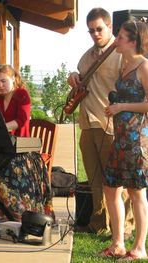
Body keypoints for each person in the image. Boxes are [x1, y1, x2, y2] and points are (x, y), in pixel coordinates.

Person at [67, 8, 134, 236]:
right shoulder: (86, 56)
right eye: (91, 30)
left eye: (99, 29)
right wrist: (73, 78)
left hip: (111, 125)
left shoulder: (121, 54)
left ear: (110, 28)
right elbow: (79, 78)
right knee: (95, 179)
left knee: (116, 180)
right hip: (87, 123)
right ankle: (98, 223)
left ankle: (124, 227)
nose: (95, 34)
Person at [0, 64, 54, 225]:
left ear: (13, 79)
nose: (0, 85)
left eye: (3, 81)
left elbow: (22, 120)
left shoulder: (22, 95)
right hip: (3, 147)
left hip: (23, 150)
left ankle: (17, 213)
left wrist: (2, 127)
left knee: (9, 167)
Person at [100, 20, 148, 261]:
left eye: (119, 36)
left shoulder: (144, 66)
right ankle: (118, 243)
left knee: (136, 192)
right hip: (120, 139)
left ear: (133, 41)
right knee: (110, 188)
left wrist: (122, 106)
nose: (115, 40)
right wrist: (115, 107)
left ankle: (139, 247)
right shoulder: (124, 65)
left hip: (136, 140)